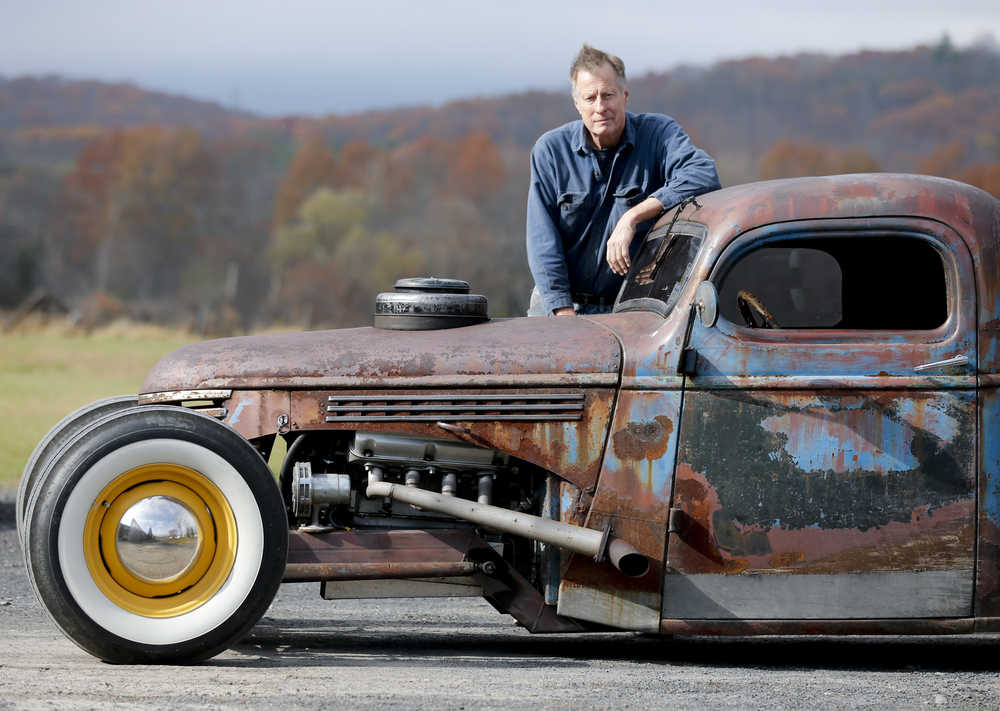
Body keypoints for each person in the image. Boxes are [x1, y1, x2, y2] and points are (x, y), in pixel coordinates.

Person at [526, 44, 721, 316]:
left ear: (625, 96)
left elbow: (703, 174)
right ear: (577, 104)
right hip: (559, 305)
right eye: (590, 98)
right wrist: (562, 312)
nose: (600, 107)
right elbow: (542, 240)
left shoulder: (658, 134)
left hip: (632, 307)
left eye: (608, 95)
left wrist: (633, 216)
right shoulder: (550, 151)